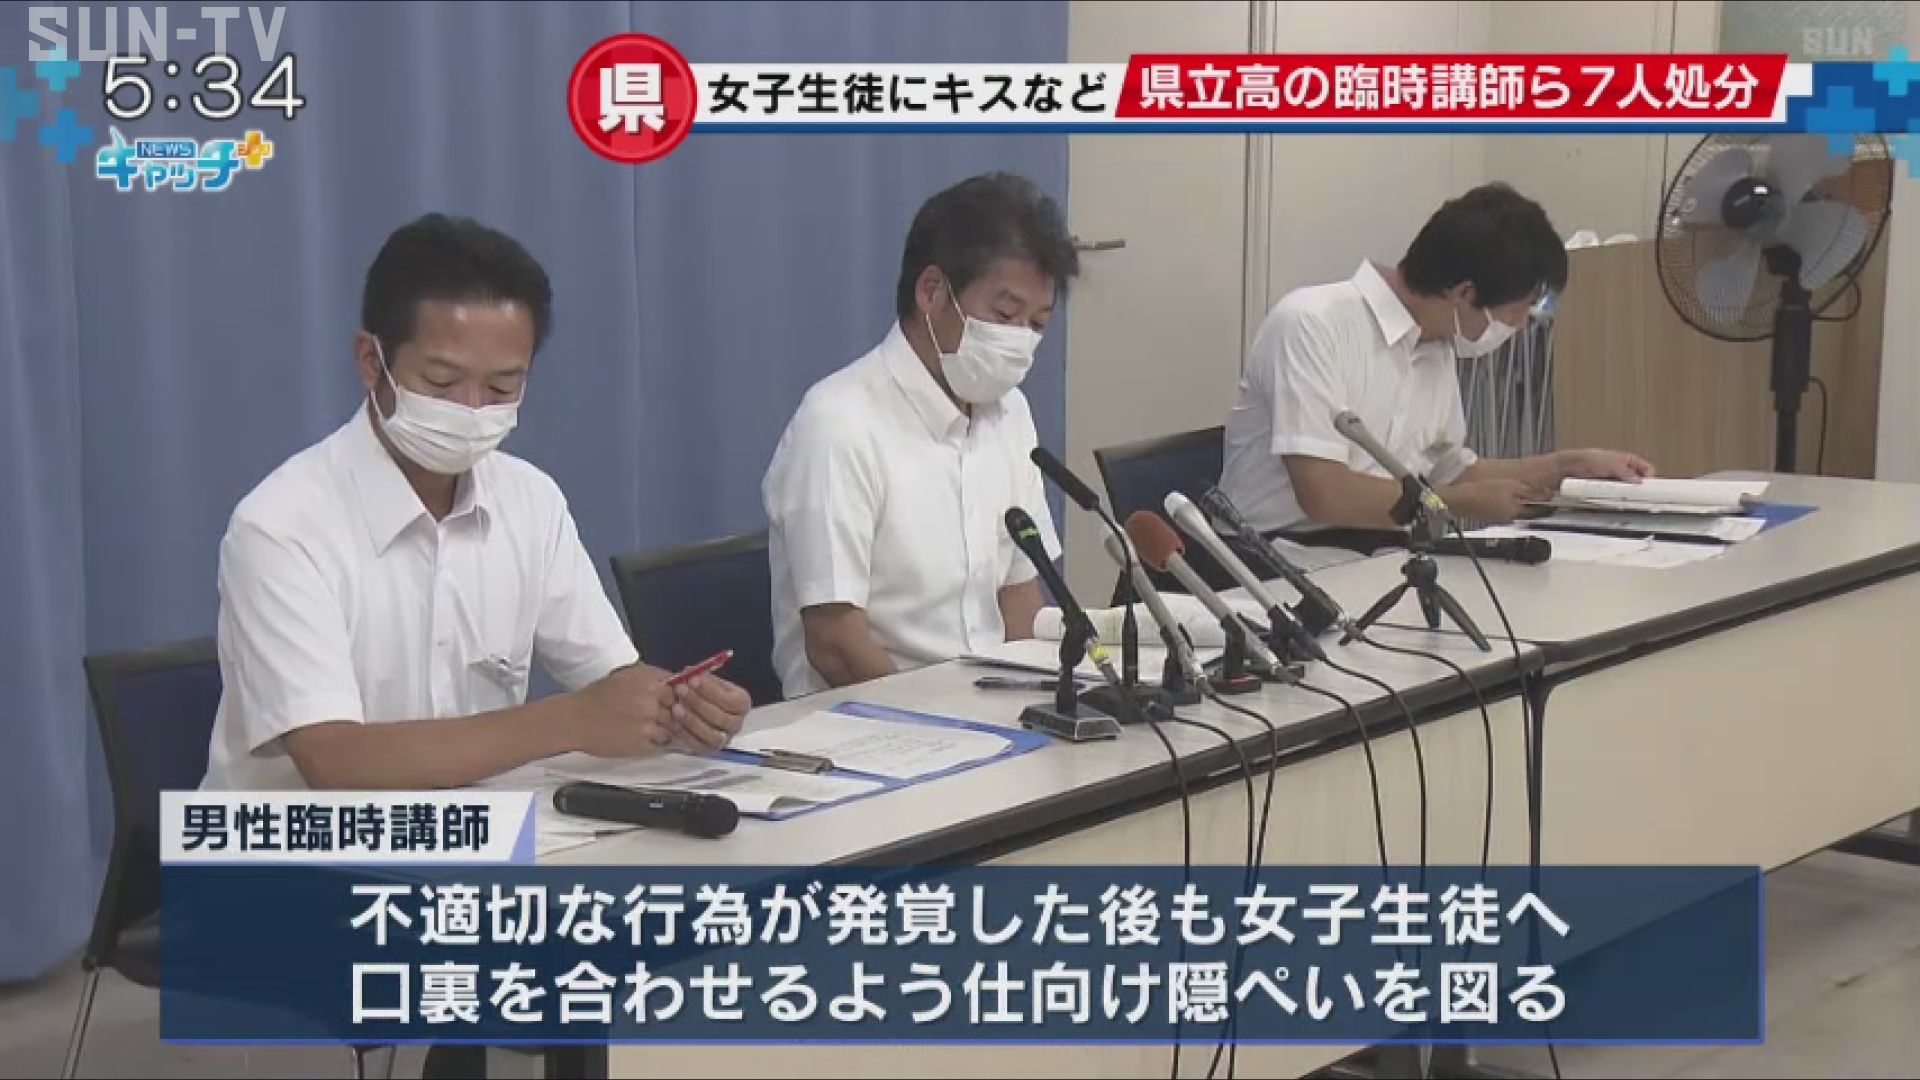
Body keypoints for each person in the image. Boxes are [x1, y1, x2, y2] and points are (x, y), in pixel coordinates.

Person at [202, 213, 750, 792]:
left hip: (480, 828)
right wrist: (568, 720)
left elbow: (610, 678)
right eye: (441, 382)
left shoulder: (530, 501)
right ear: (371, 362)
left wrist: (677, 707)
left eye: (501, 387)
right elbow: (334, 761)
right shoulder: (281, 526)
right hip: (304, 841)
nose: (470, 410)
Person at [763, 172, 1078, 698]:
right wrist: (944, 726)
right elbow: (835, 644)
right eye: (1005, 314)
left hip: (993, 713)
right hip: (867, 722)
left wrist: (1045, 701)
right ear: (932, 291)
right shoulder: (839, 422)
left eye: (1038, 324)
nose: (1020, 340)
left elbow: (1019, 598)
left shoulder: (1010, 413)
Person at [1219, 183, 1654, 551]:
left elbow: (1452, 470)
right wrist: (1457, 503)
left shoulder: (1436, 345)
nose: (1521, 327)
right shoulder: (1311, 323)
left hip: (1379, 552)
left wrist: (1567, 467)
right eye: (1516, 311)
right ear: (1464, 292)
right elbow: (1325, 494)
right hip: (1273, 558)